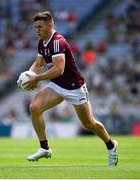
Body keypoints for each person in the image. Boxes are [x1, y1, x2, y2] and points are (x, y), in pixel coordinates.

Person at [20, 11, 118, 167]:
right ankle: (44, 148)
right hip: (57, 86)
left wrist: (36, 78)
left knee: (89, 123)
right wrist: (29, 74)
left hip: (74, 87)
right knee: (35, 107)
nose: (37, 30)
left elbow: (58, 69)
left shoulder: (58, 42)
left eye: (39, 27)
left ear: (50, 25)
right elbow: (39, 64)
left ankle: (111, 145)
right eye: (35, 27)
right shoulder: (42, 42)